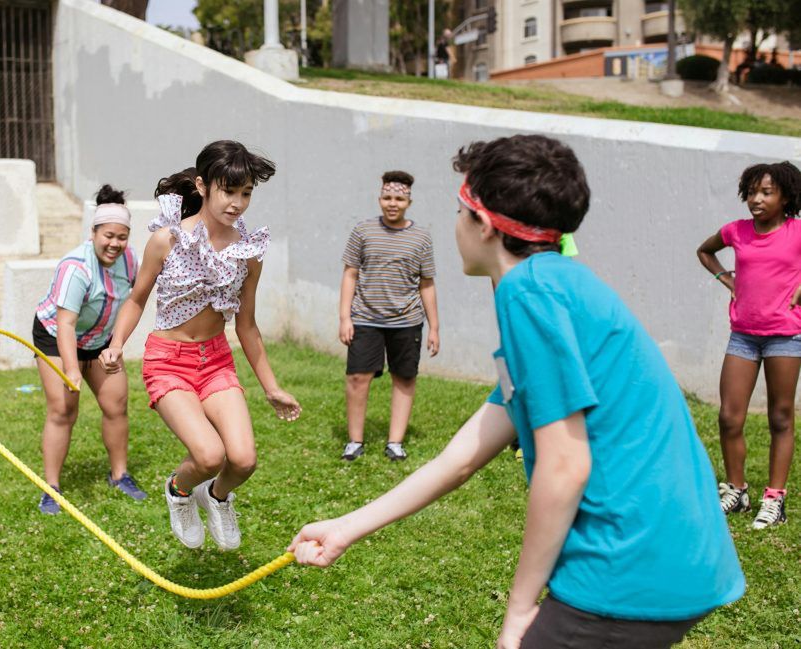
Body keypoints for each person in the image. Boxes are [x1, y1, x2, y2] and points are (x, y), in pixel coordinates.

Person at [289, 135, 744, 649]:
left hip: (627, 563)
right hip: (678, 554)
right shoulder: (556, 285)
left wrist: (520, 609)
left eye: (460, 211)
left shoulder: (529, 294)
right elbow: (462, 457)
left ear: (482, 225)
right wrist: (347, 527)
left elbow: (564, 465)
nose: (456, 224)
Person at [100, 140, 302, 552]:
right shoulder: (167, 240)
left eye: (246, 193)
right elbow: (137, 298)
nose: (238, 203)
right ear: (203, 186)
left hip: (216, 362)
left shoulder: (249, 252)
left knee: (243, 460)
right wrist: (116, 343)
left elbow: (246, 325)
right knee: (209, 456)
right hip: (168, 362)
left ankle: (217, 497)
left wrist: (271, 386)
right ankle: (178, 490)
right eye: (229, 191)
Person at [696, 160, 801, 529]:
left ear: (786, 196)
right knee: (729, 417)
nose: (756, 199)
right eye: (752, 192)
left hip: (785, 336)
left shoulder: (796, 232)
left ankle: (775, 499)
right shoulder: (736, 231)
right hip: (743, 335)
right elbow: (704, 251)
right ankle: (737, 490)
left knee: (780, 417)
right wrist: (728, 279)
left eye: (766, 192)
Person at [31, 184, 147, 514]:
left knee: (116, 403)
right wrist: (71, 370)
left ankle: (120, 475)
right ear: (93, 232)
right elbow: (66, 324)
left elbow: (132, 303)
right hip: (56, 337)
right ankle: (50, 487)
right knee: (63, 409)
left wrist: (116, 345)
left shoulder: (129, 260)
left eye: (121, 237)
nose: (114, 243)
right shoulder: (75, 268)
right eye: (108, 235)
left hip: (99, 340)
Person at [338, 170, 439, 461]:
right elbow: (350, 274)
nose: (392, 203)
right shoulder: (363, 231)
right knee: (357, 377)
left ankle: (395, 442)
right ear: (379, 198)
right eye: (387, 197)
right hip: (365, 318)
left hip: (407, 321)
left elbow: (427, 283)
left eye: (399, 198)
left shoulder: (421, 237)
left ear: (408, 201)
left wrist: (434, 327)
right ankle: (355, 441)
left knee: (404, 377)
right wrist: (345, 317)